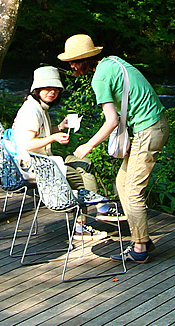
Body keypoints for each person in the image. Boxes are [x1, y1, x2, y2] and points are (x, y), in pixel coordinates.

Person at [60, 34, 169, 264]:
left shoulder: (99, 78)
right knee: (122, 182)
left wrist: (87, 145)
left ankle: (139, 247)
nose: (71, 66)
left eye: (75, 61)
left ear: (87, 59)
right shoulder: (113, 62)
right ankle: (143, 238)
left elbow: (112, 120)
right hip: (151, 126)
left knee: (133, 191)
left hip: (148, 130)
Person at [11, 65, 111, 241]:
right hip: (35, 166)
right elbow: (27, 144)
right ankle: (96, 211)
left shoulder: (39, 107)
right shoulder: (31, 110)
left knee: (84, 163)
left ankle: (95, 210)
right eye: (47, 88)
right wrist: (54, 138)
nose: (52, 92)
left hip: (44, 161)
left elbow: (40, 133)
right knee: (82, 178)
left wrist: (60, 127)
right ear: (37, 89)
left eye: (56, 89)